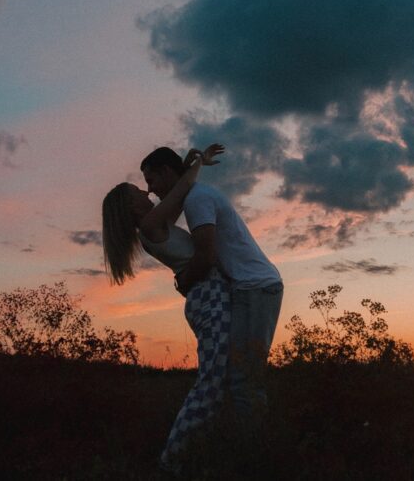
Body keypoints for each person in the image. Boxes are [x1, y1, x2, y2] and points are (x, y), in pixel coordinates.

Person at [101, 143, 226, 469]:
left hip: (204, 295)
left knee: (219, 376)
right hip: (207, 295)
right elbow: (183, 188)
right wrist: (197, 163)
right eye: (138, 191)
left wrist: (185, 167)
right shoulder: (150, 226)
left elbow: (178, 194)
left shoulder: (155, 223)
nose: (147, 192)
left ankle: (198, 452)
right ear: (131, 205)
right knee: (211, 381)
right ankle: (173, 460)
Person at [140, 147, 283, 422]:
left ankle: (258, 453)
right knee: (237, 376)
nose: (150, 190)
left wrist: (183, 282)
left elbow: (207, 256)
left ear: (167, 172)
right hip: (248, 288)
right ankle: (246, 445)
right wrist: (196, 165)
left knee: (244, 379)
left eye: (151, 180)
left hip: (255, 288)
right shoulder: (195, 196)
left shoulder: (198, 200)